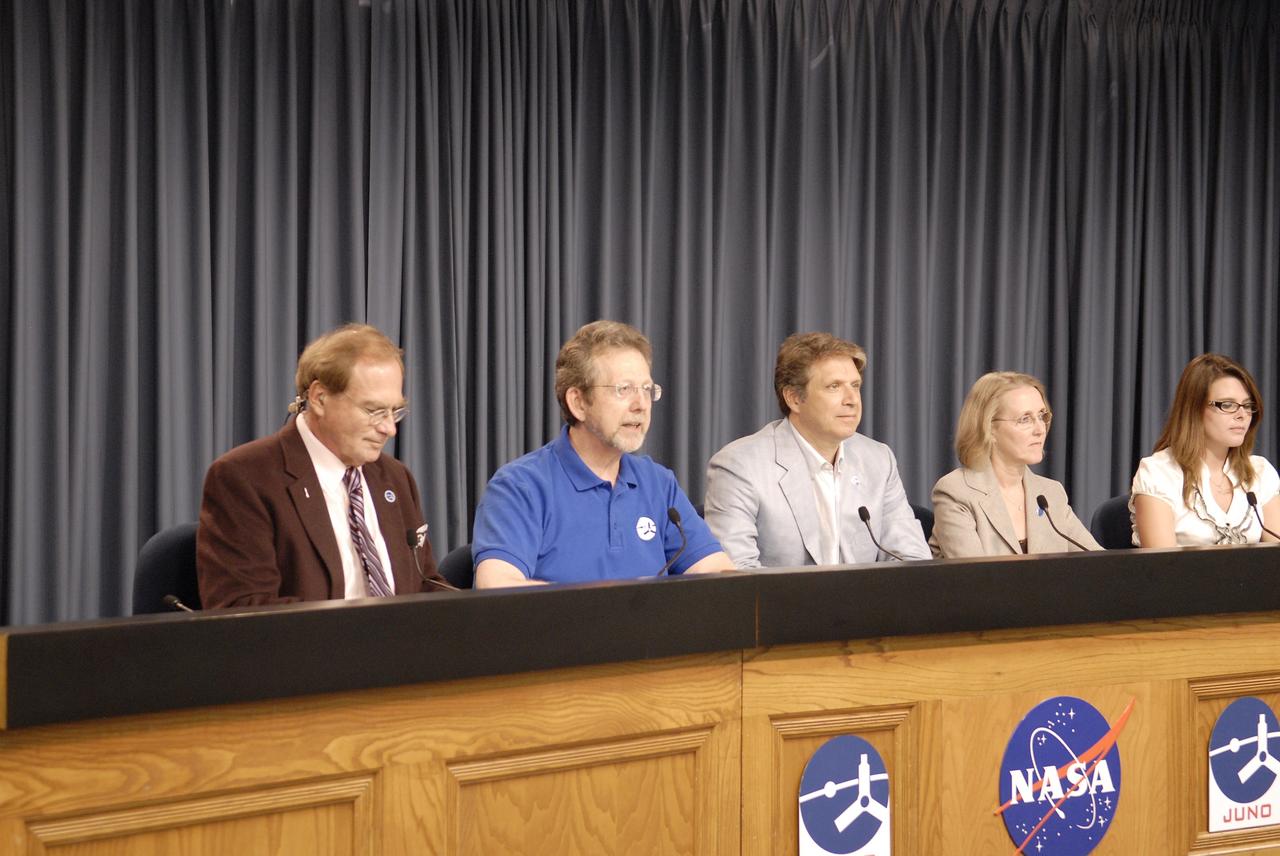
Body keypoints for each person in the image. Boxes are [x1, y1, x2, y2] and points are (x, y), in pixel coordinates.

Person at [197, 323, 445, 608]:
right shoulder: (245, 478)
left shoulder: (395, 478)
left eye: (395, 411)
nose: (389, 429)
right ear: (320, 398)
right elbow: (244, 607)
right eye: (374, 411)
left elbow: (426, 584)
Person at [471, 320, 735, 587]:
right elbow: (497, 585)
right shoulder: (520, 486)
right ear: (578, 403)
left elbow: (718, 574)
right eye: (624, 389)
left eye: (646, 390)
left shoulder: (658, 483)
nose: (641, 405)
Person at [704, 332, 930, 568]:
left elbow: (912, 560)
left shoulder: (878, 459)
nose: (852, 399)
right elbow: (735, 573)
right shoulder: (740, 465)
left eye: (855, 386)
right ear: (794, 398)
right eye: (834, 387)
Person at [929, 372, 1100, 557]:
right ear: (988, 428)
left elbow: (1101, 564)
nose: (1040, 429)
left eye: (1042, 416)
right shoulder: (957, 492)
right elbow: (974, 580)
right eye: (1025, 419)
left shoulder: (1050, 493)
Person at [1131, 353, 1280, 546]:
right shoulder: (1159, 474)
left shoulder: (1260, 472)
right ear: (1194, 409)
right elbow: (1162, 570)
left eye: (1247, 405)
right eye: (1228, 405)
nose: (1242, 414)